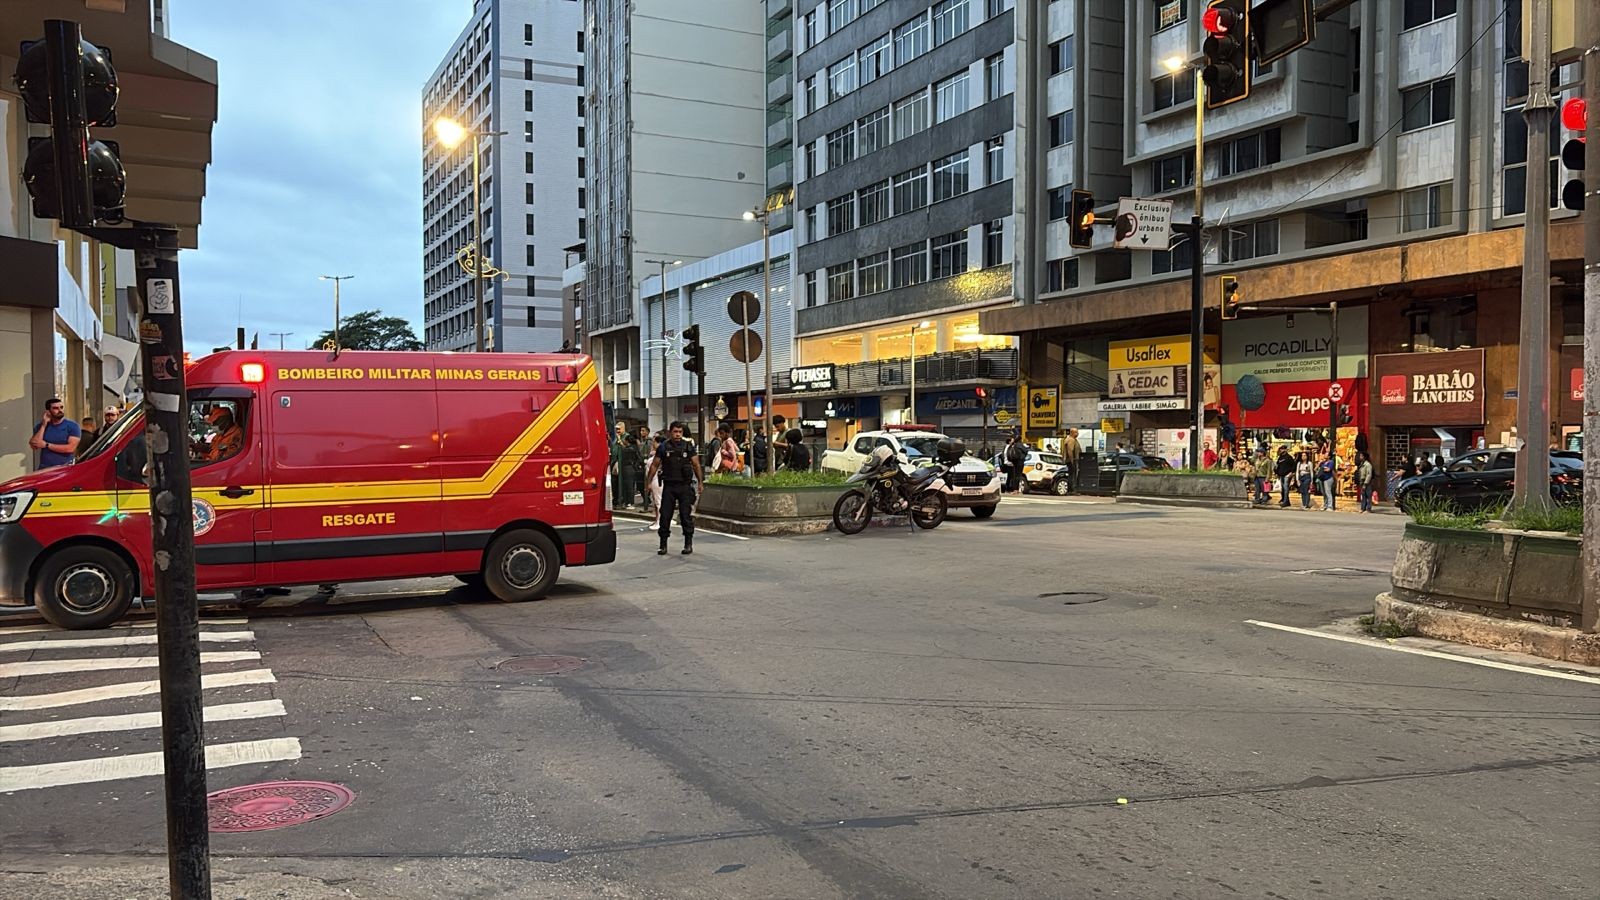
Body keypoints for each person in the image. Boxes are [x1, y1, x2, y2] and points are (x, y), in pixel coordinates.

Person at [644, 421, 703, 555]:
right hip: (669, 486)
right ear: (670, 432)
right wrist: (649, 482)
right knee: (665, 515)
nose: (678, 434)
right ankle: (663, 544)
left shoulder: (688, 446)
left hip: (684, 485)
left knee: (685, 516)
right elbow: (655, 465)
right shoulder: (664, 447)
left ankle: (688, 543)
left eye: (680, 432)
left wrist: (700, 483)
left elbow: (696, 465)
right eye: (675, 432)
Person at [29, 397, 81, 470]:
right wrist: (44, 425)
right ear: (48, 411)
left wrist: (47, 445)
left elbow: (70, 448)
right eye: (56, 408)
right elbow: (34, 445)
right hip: (45, 468)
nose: (60, 410)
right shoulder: (41, 426)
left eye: (61, 407)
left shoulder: (73, 426)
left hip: (65, 468)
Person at [618, 432, 645, 507]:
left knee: (629, 486)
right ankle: (628, 502)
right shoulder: (635, 448)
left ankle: (629, 502)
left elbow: (623, 451)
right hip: (632, 468)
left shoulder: (629, 449)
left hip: (628, 468)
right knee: (630, 485)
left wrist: (620, 443)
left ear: (627, 441)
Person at [610, 422, 628, 507]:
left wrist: (620, 440)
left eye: (619, 429)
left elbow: (626, 448)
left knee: (621, 483)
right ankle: (616, 499)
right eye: (616, 429)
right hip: (614, 462)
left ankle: (622, 500)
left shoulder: (626, 437)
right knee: (614, 483)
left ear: (623, 428)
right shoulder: (616, 437)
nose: (617, 431)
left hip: (622, 462)